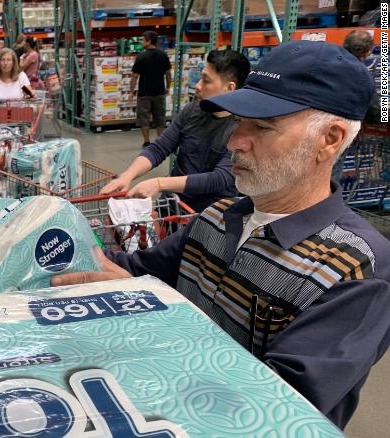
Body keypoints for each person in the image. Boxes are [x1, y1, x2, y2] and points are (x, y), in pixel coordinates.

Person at [52, 40, 390, 430]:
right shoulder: (217, 217)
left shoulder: (358, 269)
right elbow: (132, 270)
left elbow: (272, 407)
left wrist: (152, 313)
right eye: (237, 123)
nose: (234, 142)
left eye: (261, 127)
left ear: (328, 139)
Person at [102, 49, 250, 211]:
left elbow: (218, 179)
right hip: (174, 203)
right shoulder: (193, 110)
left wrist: (159, 183)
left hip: (209, 215)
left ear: (229, 88)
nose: (198, 86)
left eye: (206, 81)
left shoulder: (242, 128)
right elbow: (159, 148)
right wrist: (127, 176)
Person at [131, 31, 172, 147]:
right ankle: (160, 142)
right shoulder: (163, 55)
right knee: (160, 118)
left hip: (144, 93)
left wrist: (131, 91)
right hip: (159, 92)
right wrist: (168, 87)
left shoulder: (141, 56)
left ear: (149, 41)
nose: (141, 42)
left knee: (144, 118)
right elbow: (168, 73)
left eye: (143, 40)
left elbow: (134, 76)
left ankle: (147, 141)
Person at [343, 30, 381, 124]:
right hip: (343, 124)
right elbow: (374, 114)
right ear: (367, 52)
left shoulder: (326, 62)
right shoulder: (363, 76)